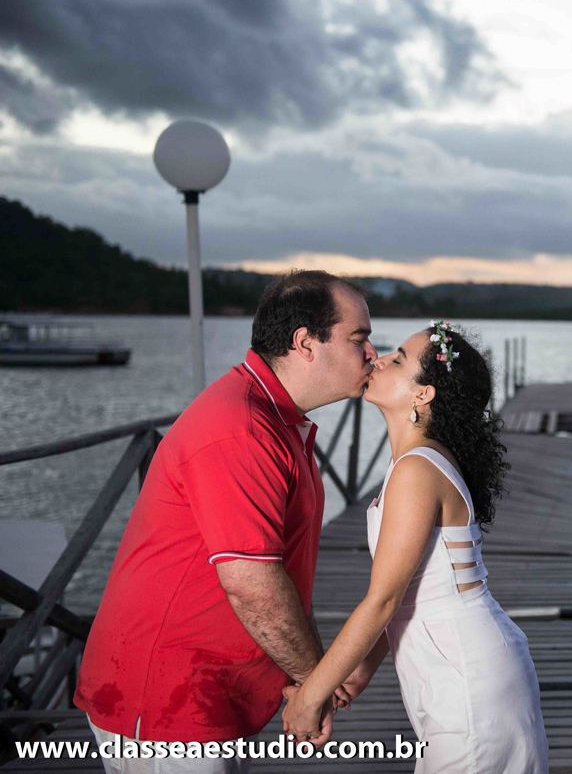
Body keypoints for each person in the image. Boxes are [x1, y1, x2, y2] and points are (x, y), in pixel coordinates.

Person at [74, 270, 377, 772]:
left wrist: (315, 676)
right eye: (358, 338)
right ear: (305, 343)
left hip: (202, 690)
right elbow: (253, 586)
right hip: (167, 694)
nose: (371, 353)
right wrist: (314, 683)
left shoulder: (273, 417)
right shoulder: (241, 429)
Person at [282, 321, 549, 774]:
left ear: (423, 394)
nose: (378, 358)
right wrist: (359, 670)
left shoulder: (416, 471)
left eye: (399, 359)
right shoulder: (417, 463)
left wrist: (311, 696)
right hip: (456, 667)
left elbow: (384, 599)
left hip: (465, 676)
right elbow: (412, 590)